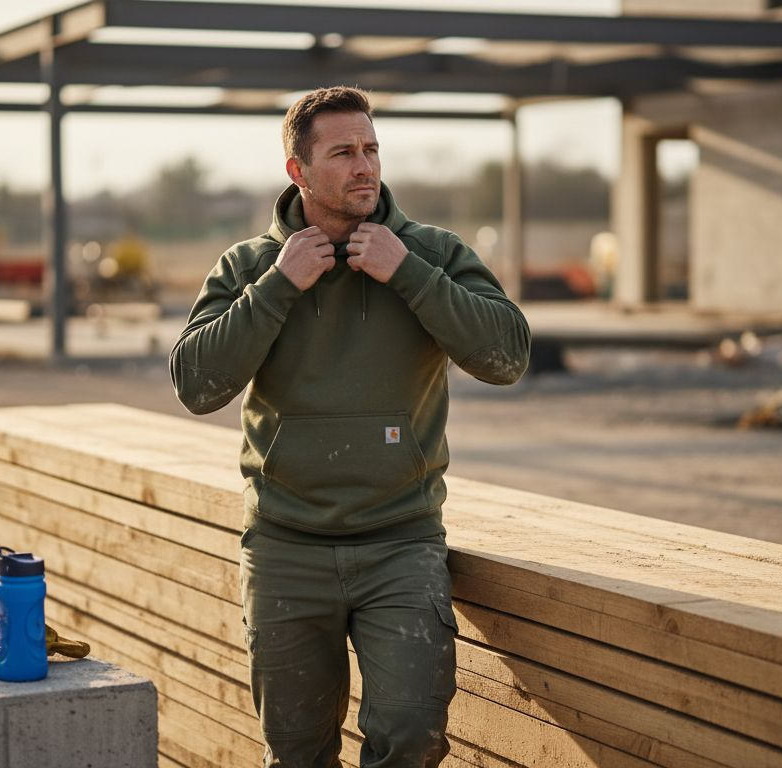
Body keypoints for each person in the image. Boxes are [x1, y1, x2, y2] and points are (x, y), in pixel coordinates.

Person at [170, 85, 531, 768]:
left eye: (371, 149)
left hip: (401, 544)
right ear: (298, 171)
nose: (365, 166)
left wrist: (410, 275)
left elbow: (507, 358)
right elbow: (196, 385)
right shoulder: (250, 266)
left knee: (411, 739)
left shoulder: (432, 252)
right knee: (297, 753)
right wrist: (279, 286)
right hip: (285, 547)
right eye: (342, 153)